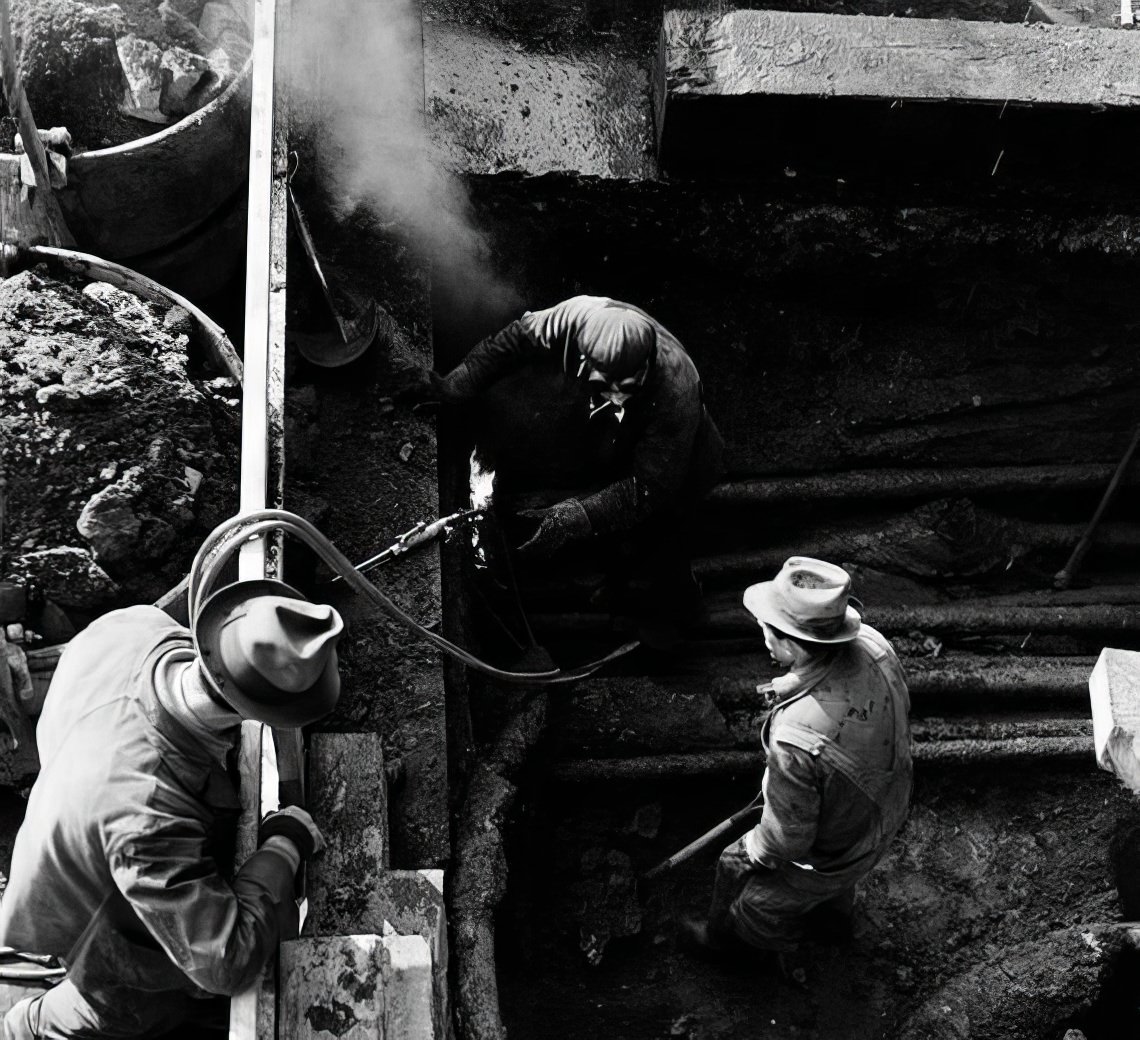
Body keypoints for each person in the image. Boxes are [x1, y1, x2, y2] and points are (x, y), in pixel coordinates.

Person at [0, 578, 345, 1039]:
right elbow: (226, 961)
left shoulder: (137, 627)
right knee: (128, 1006)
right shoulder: (146, 816)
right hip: (77, 897)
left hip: (68, 812)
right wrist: (284, 843)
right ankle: (27, 1025)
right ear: (268, 714)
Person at [407, 294, 724, 622]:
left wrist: (572, 518)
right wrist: (461, 381)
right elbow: (516, 339)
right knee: (603, 497)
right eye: (607, 384)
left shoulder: (677, 393)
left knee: (658, 537)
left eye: (624, 387)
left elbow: (647, 489)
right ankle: (612, 578)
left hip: (679, 465)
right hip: (617, 440)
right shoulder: (579, 317)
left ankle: (670, 612)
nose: (614, 394)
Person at [683, 557, 912, 967]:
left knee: (756, 902)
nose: (762, 633)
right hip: (891, 801)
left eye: (766, 627)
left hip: (845, 843)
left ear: (786, 641)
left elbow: (789, 841)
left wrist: (750, 849)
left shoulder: (796, 737)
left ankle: (755, 952)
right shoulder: (874, 644)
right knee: (834, 886)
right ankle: (836, 921)